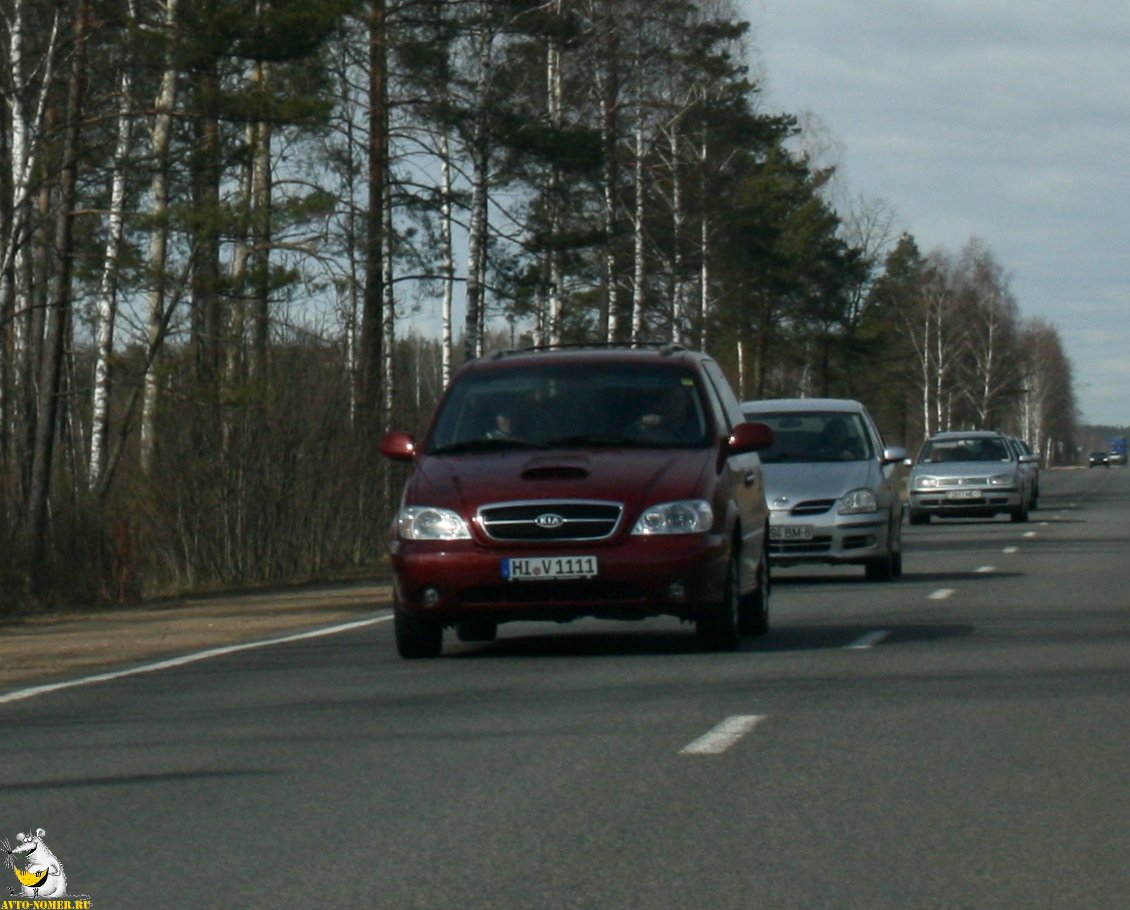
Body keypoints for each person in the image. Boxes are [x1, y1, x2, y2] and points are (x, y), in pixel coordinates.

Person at [625, 386, 700, 442]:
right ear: (665, 402)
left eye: (682, 399)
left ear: (687, 403)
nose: (677, 404)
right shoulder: (648, 428)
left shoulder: (699, 427)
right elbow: (630, 434)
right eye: (674, 399)